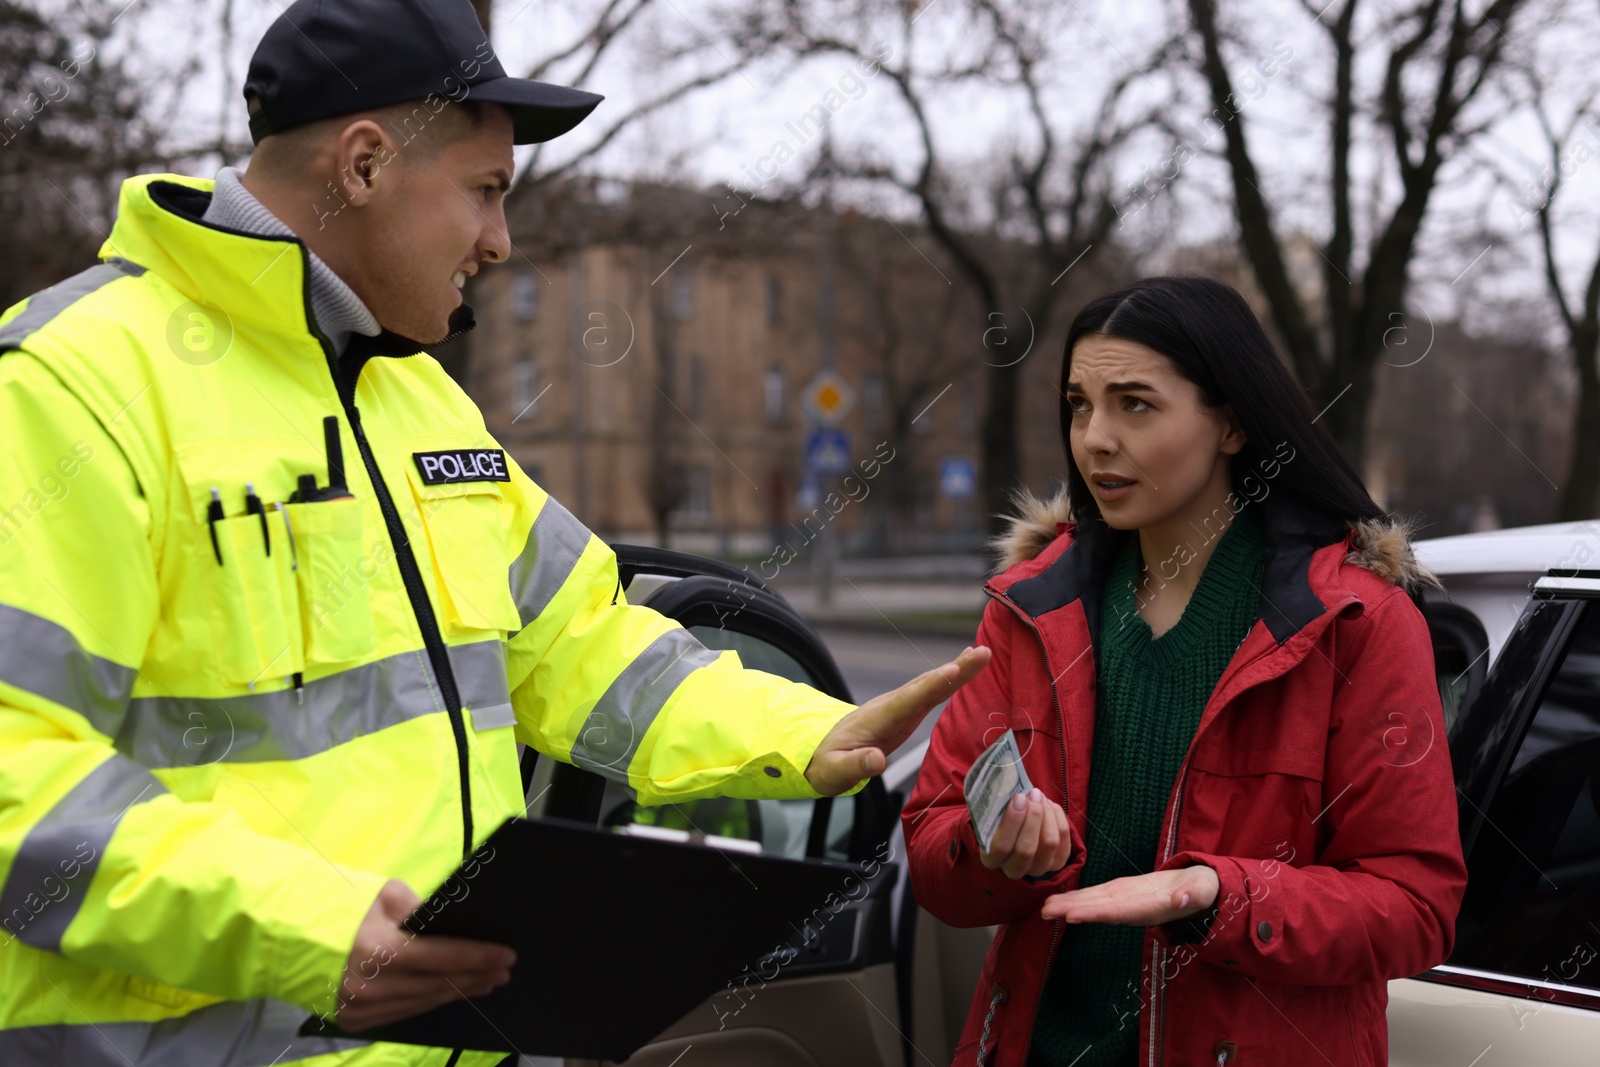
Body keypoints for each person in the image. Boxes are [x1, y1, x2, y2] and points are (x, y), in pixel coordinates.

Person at [0, 1, 990, 1063]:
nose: (500, 242)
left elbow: (585, 646)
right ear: (366, 164)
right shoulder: (69, 387)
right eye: (485, 192)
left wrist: (802, 734)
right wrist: (306, 927)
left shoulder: (421, 407)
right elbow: (19, 772)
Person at [903, 276, 1466, 1067]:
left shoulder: (1357, 624)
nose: (1095, 438)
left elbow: (1415, 905)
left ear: (1231, 423)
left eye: (1135, 403)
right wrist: (996, 853)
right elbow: (931, 850)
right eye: (1078, 404)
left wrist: (1216, 897)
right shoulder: (1031, 608)